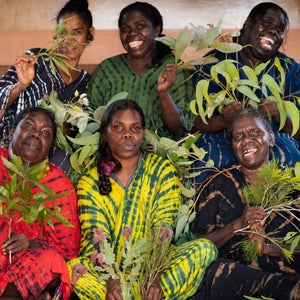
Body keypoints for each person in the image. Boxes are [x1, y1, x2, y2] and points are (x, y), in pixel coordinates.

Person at [67, 99, 217, 299]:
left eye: (135, 128)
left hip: (154, 267)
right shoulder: (89, 181)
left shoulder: (162, 170)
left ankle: (137, 294)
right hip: (108, 273)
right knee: (73, 269)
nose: (127, 134)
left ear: (143, 133)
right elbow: (97, 237)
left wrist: (153, 277)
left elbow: (163, 227)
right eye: (118, 127)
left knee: (204, 249)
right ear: (105, 133)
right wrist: (112, 279)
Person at [191, 108, 300, 300]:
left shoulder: (293, 183)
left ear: (272, 138)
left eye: (255, 133)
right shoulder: (218, 185)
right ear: (232, 145)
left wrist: (268, 248)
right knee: (220, 273)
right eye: (238, 136)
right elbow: (198, 247)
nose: (246, 140)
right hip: (236, 282)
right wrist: (237, 225)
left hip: (289, 282)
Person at [192, 2, 300, 183]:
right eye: (266, 23)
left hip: (274, 143)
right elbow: (191, 125)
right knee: (206, 164)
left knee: (290, 158)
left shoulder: (290, 70)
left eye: (279, 29)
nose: (273, 31)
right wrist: (223, 120)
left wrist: (279, 112)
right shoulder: (213, 63)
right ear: (249, 23)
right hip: (222, 141)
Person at [0, 0, 95, 171]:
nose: (68, 40)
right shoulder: (36, 60)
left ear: (89, 34)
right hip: (9, 159)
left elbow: (83, 138)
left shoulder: (89, 84)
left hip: (57, 170)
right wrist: (20, 86)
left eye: (77, 32)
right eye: (62, 32)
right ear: (55, 35)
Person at [0, 107, 81, 300]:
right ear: (12, 132)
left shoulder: (58, 184)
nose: (36, 135)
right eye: (29, 126)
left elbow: (66, 251)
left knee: (51, 263)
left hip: (24, 264)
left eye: (45, 133)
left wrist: (30, 243)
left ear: (49, 145)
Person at [87, 2, 194, 140]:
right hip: (113, 154)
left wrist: (163, 93)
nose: (132, 33)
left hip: (163, 154)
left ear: (156, 30)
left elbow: (179, 130)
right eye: (125, 29)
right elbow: (90, 121)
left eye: (140, 26)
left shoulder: (173, 69)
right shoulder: (106, 70)